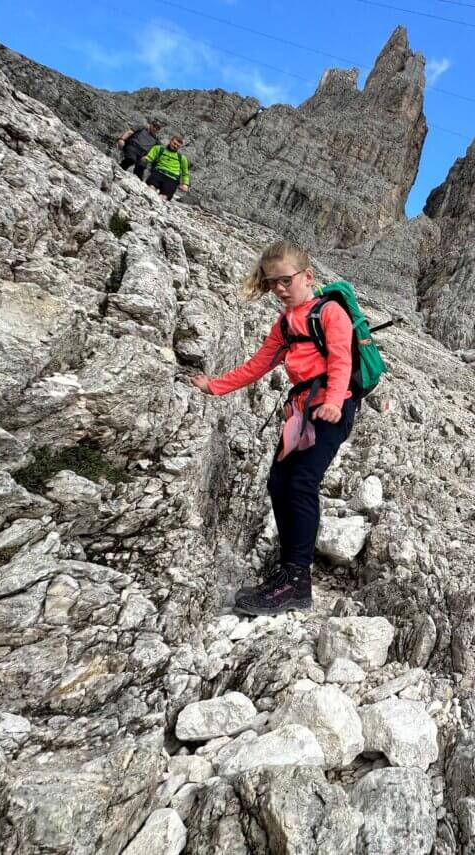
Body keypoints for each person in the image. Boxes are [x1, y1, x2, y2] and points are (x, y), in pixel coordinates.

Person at [189, 240, 356, 615]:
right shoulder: (284, 324)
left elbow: (342, 359)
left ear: (307, 276)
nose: (279, 290)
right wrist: (215, 385)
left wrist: (332, 401)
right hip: (302, 409)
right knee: (278, 483)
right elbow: (258, 364)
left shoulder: (330, 313)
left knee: (300, 482)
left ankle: (297, 581)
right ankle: (288, 573)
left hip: (333, 407)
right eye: (271, 284)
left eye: (285, 281)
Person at [144, 135, 190, 200]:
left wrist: (185, 184)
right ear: (170, 141)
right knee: (150, 189)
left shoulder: (182, 158)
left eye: (178, 146)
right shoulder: (159, 148)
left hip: (172, 178)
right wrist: (146, 159)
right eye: (174, 143)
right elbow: (150, 157)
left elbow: (185, 173)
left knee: (163, 197)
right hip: (158, 173)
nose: (175, 146)